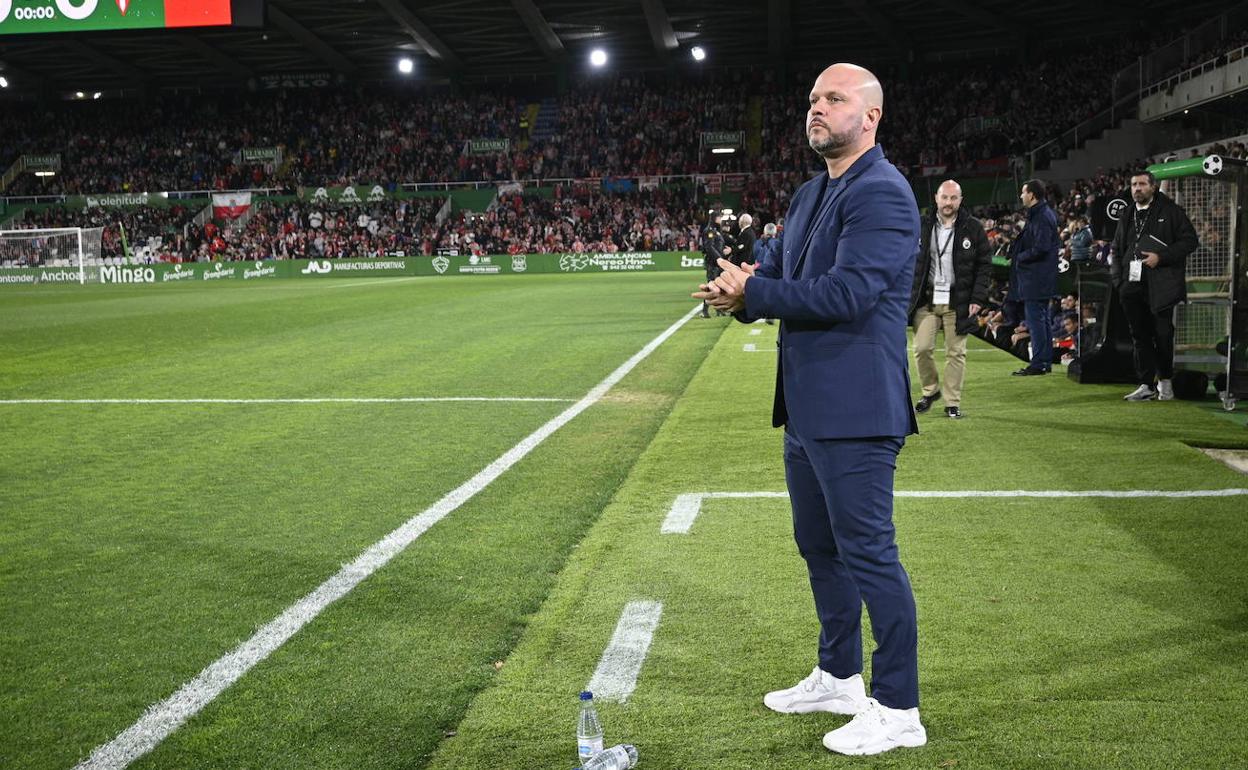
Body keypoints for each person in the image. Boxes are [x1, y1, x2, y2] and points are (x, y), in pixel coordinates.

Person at [694, 62, 926, 757]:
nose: (817, 108)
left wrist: (756, 296)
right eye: (812, 100)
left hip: (857, 408)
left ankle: (899, 706)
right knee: (819, 548)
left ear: (871, 116)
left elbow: (847, 294)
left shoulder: (882, 192)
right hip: (809, 407)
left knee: (869, 555)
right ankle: (839, 675)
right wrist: (738, 294)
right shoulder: (807, 195)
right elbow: (785, 286)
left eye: (834, 98)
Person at [1109, 170, 1199, 401]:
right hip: (1131, 285)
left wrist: (1161, 257)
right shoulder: (1127, 214)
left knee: (1162, 334)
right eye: (1133, 185)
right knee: (1139, 336)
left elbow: (1190, 241)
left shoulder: (1171, 211)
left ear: (1153, 187)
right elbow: (1117, 250)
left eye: (1141, 184)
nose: (1137, 188)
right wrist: (1119, 282)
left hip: (1161, 285)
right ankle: (1145, 384)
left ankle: (1165, 380)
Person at [909, 179, 991, 419]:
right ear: (936, 198)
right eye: (944, 197)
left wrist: (978, 297)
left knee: (956, 352)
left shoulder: (973, 227)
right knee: (922, 348)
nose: (948, 202)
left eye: (953, 198)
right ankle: (930, 391)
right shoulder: (922, 225)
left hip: (959, 300)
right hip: (927, 300)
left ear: (960, 200)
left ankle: (952, 402)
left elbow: (984, 265)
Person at [1007, 179, 1060, 376]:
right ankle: (1043, 362)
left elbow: (1041, 247)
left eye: (1023, 192)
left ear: (1032, 195)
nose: (1021, 196)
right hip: (1039, 277)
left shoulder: (1041, 216)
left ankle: (1039, 363)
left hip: (1036, 277)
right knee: (1042, 319)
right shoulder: (1041, 214)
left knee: (1036, 320)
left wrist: (1019, 257)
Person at [699, 216, 731, 318]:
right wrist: (718, 258)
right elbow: (709, 246)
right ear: (714, 219)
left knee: (720, 285)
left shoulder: (717, 231)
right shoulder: (710, 230)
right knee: (711, 285)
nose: (721, 220)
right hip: (713, 262)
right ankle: (704, 310)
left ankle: (719, 309)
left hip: (718, 262)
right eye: (719, 218)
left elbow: (719, 245)